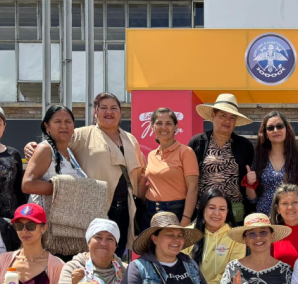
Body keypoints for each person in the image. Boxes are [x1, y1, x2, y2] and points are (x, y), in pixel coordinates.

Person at [25, 92, 146, 256]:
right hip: (93, 207)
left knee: (115, 255)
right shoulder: (81, 134)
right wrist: (31, 146)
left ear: (120, 112)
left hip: (125, 207)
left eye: (113, 108)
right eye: (103, 107)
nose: (108, 111)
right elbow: (55, 142)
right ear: (95, 112)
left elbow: (141, 172)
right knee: (92, 255)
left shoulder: (131, 139)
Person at [188, 93, 254, 223]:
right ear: (213, 116)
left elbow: (250, 181)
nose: (227, 121)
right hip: (204, 211)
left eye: (232, 117)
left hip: (234, 212)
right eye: (223, 115)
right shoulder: (197, 142)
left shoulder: (245, 146)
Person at [245, 111, 298, 215]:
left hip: (292, 219)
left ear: (287, 129)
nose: (275, 130)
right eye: (270, 128)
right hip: (266, 222)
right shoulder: (259, 159)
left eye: (279, 126)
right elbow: (252, 199)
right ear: (266, 134)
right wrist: (249, 184)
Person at [143, 107, 199, 228]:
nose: (163, 127)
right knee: (152, 247)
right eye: (159, 123)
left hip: (176, 211)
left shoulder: (185, 152)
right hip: (150, 211)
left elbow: (193, 188)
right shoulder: (151, 155)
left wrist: (186, 218)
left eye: (168, 123)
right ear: (152, 127)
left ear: (176, 127)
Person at [22, 105, 87, 208]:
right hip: (44, 220)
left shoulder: (71, 153)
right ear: (47, 126)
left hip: (65, 219)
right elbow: (27, 185)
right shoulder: (45, 149)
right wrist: (66, 188)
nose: (64, 126)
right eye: (57, 121)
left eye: (68, 122)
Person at [184, 189, 246, 284]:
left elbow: (233, 269)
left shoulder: (236, 237)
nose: (217, 213)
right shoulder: (188, 233)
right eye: (212, 208)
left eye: (222, 209)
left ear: (227, 212)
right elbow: (179, 266)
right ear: (202, 208)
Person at [269, 183, 298, 268]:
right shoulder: (271, 234)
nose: (290, 207)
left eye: (295, 202)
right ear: (278, 209)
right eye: (285, 203)